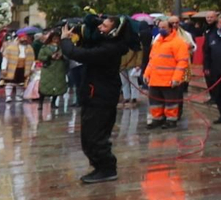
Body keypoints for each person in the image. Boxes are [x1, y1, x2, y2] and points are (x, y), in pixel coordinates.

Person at [61, 14, 128, 184]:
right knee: (88, 136)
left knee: (95, 136)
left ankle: (107, 168)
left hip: (101, 97)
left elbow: (75, 53)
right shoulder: (105, 42)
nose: (100, 28)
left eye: (105, 26)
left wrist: (65, 39)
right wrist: (91, 21)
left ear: (115, 31)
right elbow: (92, 35)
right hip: (94, 95)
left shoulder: (110, 48)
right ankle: (100, 166)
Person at [143, 15, 193, 129]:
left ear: (171, 28)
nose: (161, 29)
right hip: (155, 80)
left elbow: (182, 62)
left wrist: (177, 78)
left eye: (164, 27)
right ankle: (157, 119)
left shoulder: (178, 43)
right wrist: (146, 74)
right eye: (160, 27)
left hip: (169, 80)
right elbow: (152, 60)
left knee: (171, 102)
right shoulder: (157, 42)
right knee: (155, 102)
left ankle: (171, 120)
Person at [36, 30, 69, 117]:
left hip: (59, 68)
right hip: (48, 68)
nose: (56, 40)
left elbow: (68, 56)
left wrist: (61, 56)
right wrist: (49, 56)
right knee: (45, 86)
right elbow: (40, 57)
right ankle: (40, 103)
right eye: (54, 38)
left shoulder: (61, 47)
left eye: (57, 38)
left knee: (57, 85)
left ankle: (53, 102)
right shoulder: (45, 47)